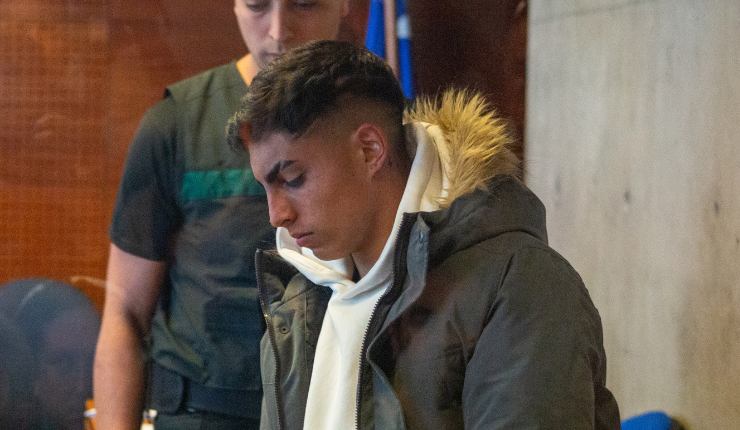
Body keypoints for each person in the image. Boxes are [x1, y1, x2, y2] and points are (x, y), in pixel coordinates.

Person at [226, 40, 622, 430]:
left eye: (293, 179)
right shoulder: (298, 302)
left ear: (369, 150)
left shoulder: (520, 282)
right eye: (266, 188)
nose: (277, 216)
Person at [93, 1, 357, 429]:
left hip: (337, 406)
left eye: (304, 3)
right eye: (257, 5)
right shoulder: (176, 124)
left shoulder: (382, 124)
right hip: (203, 410)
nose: (278, 31)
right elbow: (125, 313)